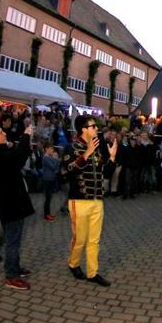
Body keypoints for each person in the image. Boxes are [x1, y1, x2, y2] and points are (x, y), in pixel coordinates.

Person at [61, 115, 115, 287]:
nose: (96, 129)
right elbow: (68, 171)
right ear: (83, 129)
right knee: (80, 239)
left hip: (97, 200)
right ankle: (73, 263)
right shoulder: (71, 147)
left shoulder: (98, 148)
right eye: (93, 126)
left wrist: (112, 158)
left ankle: (93, 273)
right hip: (79, 200)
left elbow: (104, 173)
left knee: (94, 240)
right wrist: (86, 154)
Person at [0, 123, 35, 290]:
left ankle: (15, 268)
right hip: (10, 202)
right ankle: (11, 275)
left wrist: (25, 141)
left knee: (16, 238)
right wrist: (25, 137)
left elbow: (20, 156)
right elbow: (17, 159)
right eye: (0, 132)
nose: (4, 133)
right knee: (12, 240)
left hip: (13, 200)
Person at [41, 143, 60, 221]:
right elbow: (53, 167)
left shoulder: (50, 157)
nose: (52, 150)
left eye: (53, 149)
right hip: (47, 179)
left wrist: (55, 160)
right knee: (48, 198)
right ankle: (46, 215)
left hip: (51, 179)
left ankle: (48, 213)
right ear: (46, 149)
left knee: (50, 197)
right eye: (51, 149)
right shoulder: (45, 158)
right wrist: (56, 159)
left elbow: (56, 167)